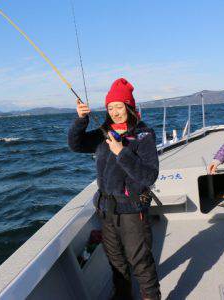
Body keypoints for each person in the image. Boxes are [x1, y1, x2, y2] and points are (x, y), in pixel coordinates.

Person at [68, 78, 161, 300]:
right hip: (107, 210)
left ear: (130, 107)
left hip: (132, 210)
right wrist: (81, 120)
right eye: (110, 107)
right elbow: (76, 145)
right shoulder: (103, 133)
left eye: (119, 106)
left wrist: (122, 152)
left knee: (140, 262)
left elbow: (149, 175)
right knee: (116, 261)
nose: (115, 112)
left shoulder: (143, 135)